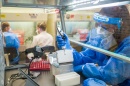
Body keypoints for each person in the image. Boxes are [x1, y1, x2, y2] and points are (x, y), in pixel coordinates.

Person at [56, 5, 130, 86]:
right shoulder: (101, 40)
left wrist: (85, 68)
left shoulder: (127, 46)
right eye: (99, 25)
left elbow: (111, 75)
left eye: (104, 27)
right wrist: (68, 48)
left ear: (118, 27)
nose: (99, 30)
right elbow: (83, 58)